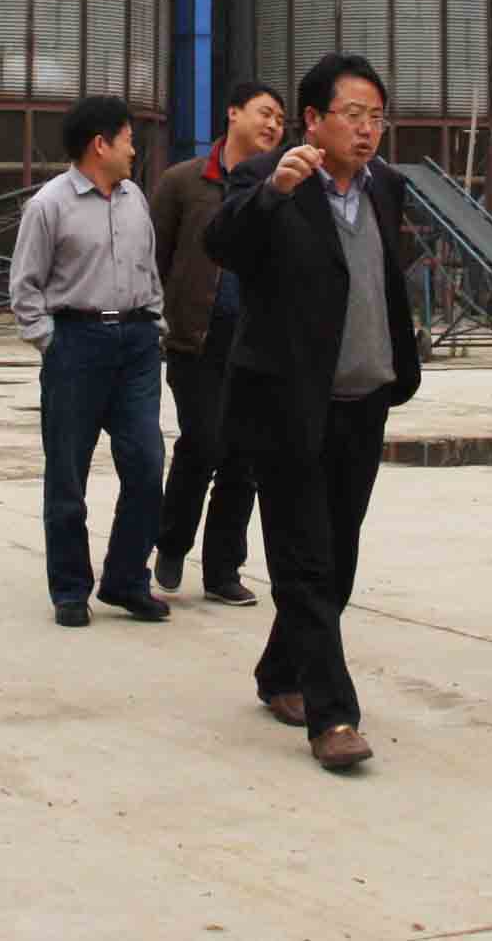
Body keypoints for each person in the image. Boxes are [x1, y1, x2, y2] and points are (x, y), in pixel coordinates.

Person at [203, 52, 422, 772]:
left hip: (363, 400)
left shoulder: (386, 187)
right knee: (303, 562)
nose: (366, 130)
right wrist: (273, 194)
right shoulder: (268, 177)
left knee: (339, 559)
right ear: (313, 120)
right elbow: (221, 244)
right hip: (285, 403)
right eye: (352, 115)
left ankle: (279, 672)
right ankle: (333, 717)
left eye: (376, 117)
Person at [7, 95, 170, 629]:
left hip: (137, 345)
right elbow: (25, 286)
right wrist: (50, 342)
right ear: (100, 144)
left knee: (147, 464)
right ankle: (70, 589)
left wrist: (154, 322)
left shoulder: (134, 198)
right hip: (76, 344)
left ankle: (125, 579)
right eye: (128, 140)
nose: (134, 151)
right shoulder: (49, 205)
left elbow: (148, 268)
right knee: (67, 474)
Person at [147, 81, 286, 607]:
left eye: (280, 120)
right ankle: (171, 543)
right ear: (233, 113)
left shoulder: (282, 185)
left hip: (256, 340)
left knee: (244, 457)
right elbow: (153, 259)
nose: (273, 125)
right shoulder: (184, 182)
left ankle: (223, 569)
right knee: (202, 442)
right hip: (195, 339)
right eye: (265, 113)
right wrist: (153, 324)